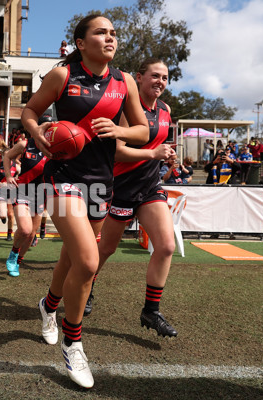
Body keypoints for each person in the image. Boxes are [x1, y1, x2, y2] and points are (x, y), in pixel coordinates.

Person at [21, 14, 149, 388]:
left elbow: (142, 131)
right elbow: (30, 111)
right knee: (89, 262)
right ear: (81, 42)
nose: (109, 38)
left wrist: (120, 129)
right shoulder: (62, 75)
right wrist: (39, 133)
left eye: (113, 33)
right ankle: (73, 342)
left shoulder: (125, 82)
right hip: (62, 179)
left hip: (101, 182)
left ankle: (48, 304)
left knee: (71, 258)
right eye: (100, 32)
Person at [88, 58, 178, 342]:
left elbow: (157, 144)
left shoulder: (165, 110)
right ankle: (86, 286)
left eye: (164, 77)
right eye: (154, 76)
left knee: (165, 246)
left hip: (150, 187)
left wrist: (167, 155)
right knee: (106, 250)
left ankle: (151, 310)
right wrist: (153, 154)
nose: (160, 81)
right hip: (121, 188)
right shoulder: (127, 109)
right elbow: (116, 152)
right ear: (139, 77)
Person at [3, 126, 48, 277]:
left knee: (31, 234)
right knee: (25, 229)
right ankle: (14, 253)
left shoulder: (55, 148)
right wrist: (9, 175)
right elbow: (7, 156)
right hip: (22, 191)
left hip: (41, 195)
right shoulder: (25, 144)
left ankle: (18, 261)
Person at [0, 140, 19, 240]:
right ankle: (2, 218)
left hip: (12, 191)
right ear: (3, 155)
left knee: (11, 214)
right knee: (3, 215)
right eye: (5, 155)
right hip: (2, 191)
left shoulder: (16, 166)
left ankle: (9, 234)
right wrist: (0, 184)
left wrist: (17, 180)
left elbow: (20, 177)